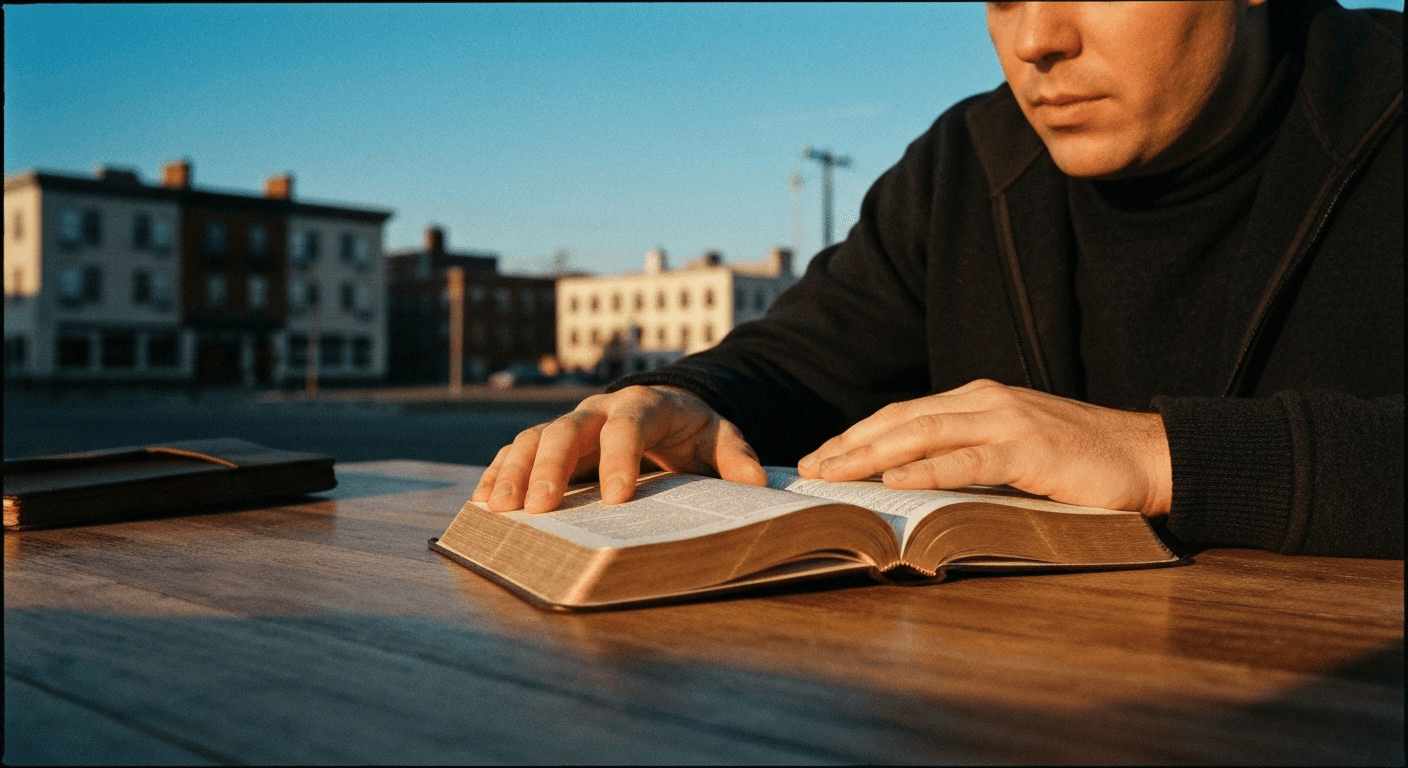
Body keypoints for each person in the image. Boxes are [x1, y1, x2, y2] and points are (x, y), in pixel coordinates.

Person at [474, 0, 1403, 559]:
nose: (1036, 39)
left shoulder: (1387, 98)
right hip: (1029, 701)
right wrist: (684, 395)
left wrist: (1164, 457)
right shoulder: (969, 159)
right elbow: (809, 354)